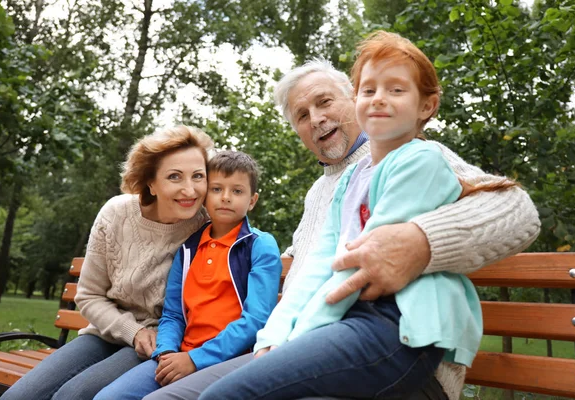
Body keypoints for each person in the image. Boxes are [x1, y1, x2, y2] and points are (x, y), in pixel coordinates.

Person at [143, 42, 540, 400]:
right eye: (302, 114)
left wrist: (421, 242)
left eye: (324, 102)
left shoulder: (416, 154)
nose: (316, 119)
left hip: (393, 351)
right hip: (305, 342)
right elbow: (312, 265)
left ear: (353, 101)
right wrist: (272, 336)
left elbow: (518, 211)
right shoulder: (324, 191)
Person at [0, 125, 213, 400]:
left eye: (198, 176)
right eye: (174, 176)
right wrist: (132, 331)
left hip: (159, 342)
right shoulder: (117, 214)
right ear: (151, 183)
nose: (189, 189)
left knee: (73, 396)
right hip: (105, 333)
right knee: (18, 397)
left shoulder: (207, 225)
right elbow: (89, 295)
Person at [93, 150, 282, 400]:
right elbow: (172, 314)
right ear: (204, 196)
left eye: (237, 191)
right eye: (216, 189)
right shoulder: (189, 248)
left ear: (252, 200)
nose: (225, 197)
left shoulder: (259, 245)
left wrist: (195, 359)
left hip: (232, 359)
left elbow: (256, 319)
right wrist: (166, 352)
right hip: (180, 354)